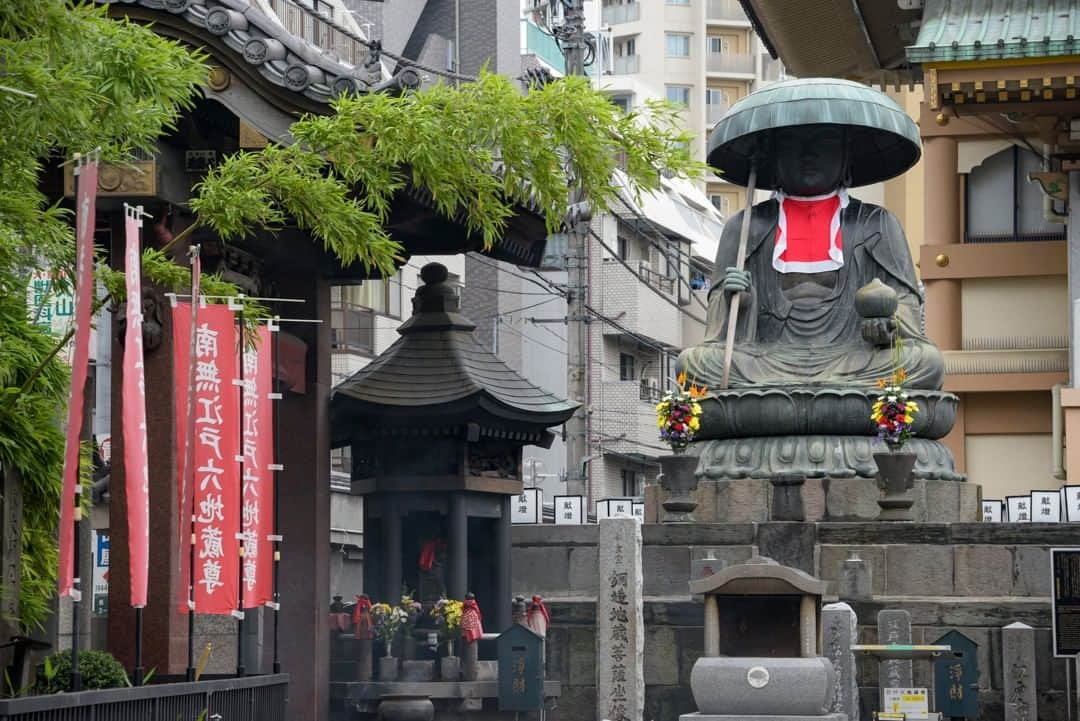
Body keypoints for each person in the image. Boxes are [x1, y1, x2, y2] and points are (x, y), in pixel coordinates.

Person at [678, 125, 944, 391]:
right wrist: (737, 300)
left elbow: (906, 304)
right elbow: (717, 328)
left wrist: (887, 323)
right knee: (693, 364)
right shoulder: (746, 226)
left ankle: (793, 398)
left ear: (845, 154)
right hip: (766, 359)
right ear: (773, 158)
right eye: (793, 144)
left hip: (853, 357)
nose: (809, 154)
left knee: (926, 362)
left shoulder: (876, 224)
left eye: (824, 141)